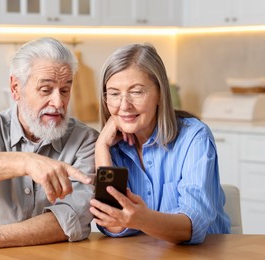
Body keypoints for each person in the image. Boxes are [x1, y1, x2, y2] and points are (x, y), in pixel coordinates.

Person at [0, 37, 99, 250]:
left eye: (65, 90)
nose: (58, 103)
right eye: (46, 90)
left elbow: (73, 217)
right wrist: (25, 162)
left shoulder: (85, 141)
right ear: (15, 88)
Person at [89, 43, 230, 244]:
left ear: (161, 94)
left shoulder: (194, 138)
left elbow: (192, 226)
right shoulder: (112, 147)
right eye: (113, 94)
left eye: (136, 92)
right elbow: (112, 223)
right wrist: (101, 146)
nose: (124, 105)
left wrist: (142, 219)